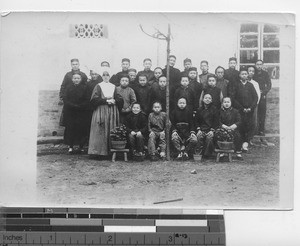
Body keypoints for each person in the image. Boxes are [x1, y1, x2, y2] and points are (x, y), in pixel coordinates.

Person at [88, 70, 123, 157]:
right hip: (101, 110)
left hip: (112, 110)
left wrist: (114, 100)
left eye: (107, 75)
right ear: (101, 76)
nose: (106, 76)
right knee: (100, 129)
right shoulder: (98, 86)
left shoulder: (114, 86)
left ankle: (111, 151)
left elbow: (119, 98)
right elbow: (93, 100)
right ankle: (99, 152)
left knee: (112, 128)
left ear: (110, 76)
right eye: (104, 75)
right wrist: (105, 100)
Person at [62, 73, 90, 154]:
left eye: (78, 78)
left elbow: (87, 99)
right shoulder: (68, 88)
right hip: (70, 111)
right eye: (75, 78)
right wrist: (72, 105)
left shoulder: (84, 88)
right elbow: (65, 98)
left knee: (81, 128)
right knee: (70, 128)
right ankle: (70, 146)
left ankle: (81, 146)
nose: (76, 80)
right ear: (72, 79)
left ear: (81, 79)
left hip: (81, 112)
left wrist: (80, 106)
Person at [232, 68, 258, 151]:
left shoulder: (250, 85)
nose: (244, 75)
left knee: (249, 126)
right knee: (240, 126)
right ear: (239, 75)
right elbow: (233, 98)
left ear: (248, 75)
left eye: (245, 74)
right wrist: (241, 108)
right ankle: (239, 144)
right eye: (242, 74)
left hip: (249, 110)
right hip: (240, 110)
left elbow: (255, 97)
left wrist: (250, 108)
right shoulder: (236, 85)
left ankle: (245, 143)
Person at [59, 58, 88, 126]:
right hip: (70, 100)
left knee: (80, 121)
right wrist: (62, 97)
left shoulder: (83, 75)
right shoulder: (68, 75)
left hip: (80, 101)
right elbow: (63, 86)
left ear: (79, 64)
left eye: (76, 64)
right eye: (73, 64)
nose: (75, 66)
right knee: (69, 121)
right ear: (71, 65)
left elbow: (86, 87)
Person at [195, 93, 219, 158]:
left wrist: (212, 130)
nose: (207, 99)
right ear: (203, 99)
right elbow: (196, 121)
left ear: (211, 100)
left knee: (209, 138)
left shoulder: (215, 109)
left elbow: (216, 122)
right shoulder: (199, 109)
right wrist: (199, 130)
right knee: (199, 136)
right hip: (202, 129)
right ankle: (198, 153)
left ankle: (207, 154)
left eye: (209, 98)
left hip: (210, 129)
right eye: (206, 98)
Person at [253, 59, 272, 136]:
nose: (259, 66)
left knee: (262, 113)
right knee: (253, 112)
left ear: (262, 65)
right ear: (255, 65)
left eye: (260, 64)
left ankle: (261, 130)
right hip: (253, 95)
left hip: (262, 95)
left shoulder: (265, 74)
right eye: (257, 64)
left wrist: (264, 92)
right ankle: (253, 130)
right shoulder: (253, 73)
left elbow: (269, 85)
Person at [86, 68, 104, 137]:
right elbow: (87, 94)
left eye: (95, 74)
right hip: (90, 105)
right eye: (92, 74)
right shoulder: (88, 83)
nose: (94, 76)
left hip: (99, 104)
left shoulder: (101, 83)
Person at [248, 65, 261, 143]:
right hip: (243, 106)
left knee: (253, 122)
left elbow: (258, 95)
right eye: (249, 71)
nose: (251, 73)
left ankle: (249, 138)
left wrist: (254, 105)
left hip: (252, 106)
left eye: (253, 71)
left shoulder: (255, 83)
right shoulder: (241, 82)